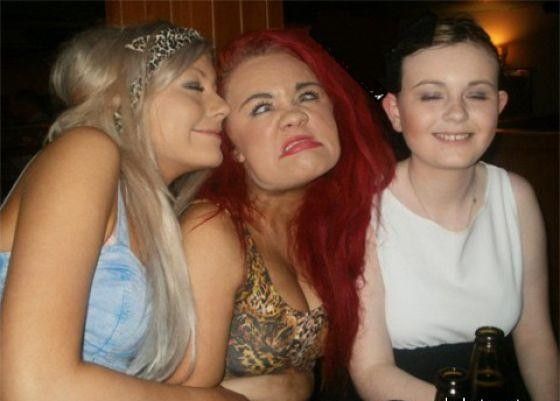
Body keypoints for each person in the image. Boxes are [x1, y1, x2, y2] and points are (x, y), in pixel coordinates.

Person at [0, 21, 249, 401]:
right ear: (121, 97)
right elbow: (33, 387)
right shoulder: (85, 152)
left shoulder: (159, 218)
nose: (222, 107)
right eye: (194, 86)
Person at [173, 29, 395, 400]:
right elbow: (185, 394)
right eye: (262, 107)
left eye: (307, 95)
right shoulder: (211, 229)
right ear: (232, 145)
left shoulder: (341, 220)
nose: (295, 115)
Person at [349, 15, 559, 401]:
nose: (457, 113)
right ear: (395, 112)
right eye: (432, 95)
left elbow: (535, 337)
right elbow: (371, 372)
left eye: (476, 95)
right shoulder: (364, 208)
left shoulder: (517, 197)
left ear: (499, 105)